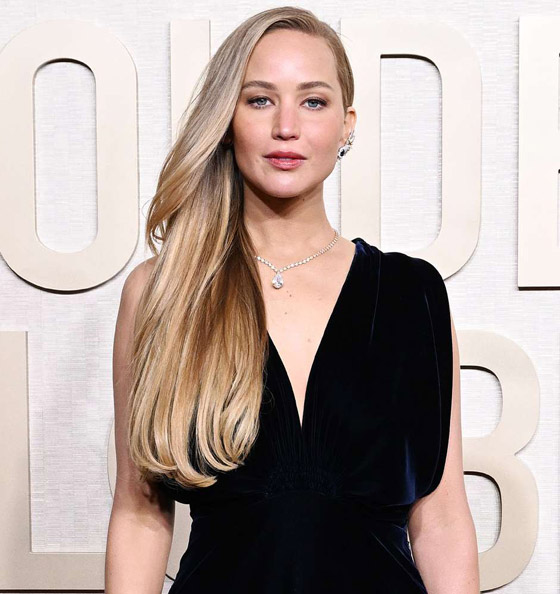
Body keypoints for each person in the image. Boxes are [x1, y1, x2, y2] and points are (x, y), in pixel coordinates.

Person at [105, 6, 480, 594]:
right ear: (226, 119)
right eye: (259, 100)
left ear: (346, 124)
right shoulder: (165, 290)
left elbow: (441, 517)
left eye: (313, 101)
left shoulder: (414, 296)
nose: (287, 126)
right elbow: (139, 512)